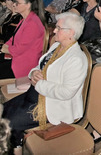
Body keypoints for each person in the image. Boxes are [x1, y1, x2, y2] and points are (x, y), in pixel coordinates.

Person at [2, 12, 87, 155]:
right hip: (36, 94)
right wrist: (33, 73)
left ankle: (14, 147)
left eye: (58, 28)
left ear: (70, 32)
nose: (54, 30)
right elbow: (40, 65)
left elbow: (66, 93)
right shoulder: (57, 46)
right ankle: (16, 145)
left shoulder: (77, 59)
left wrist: (39, 83)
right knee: (3, 110)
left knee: (9, 122)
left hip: (52, 104)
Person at [0, 0, 46, 79]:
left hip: (24, 64)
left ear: (28, 5)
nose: (14, 5)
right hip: (18, 58)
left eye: (17, 3)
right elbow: (13, 38)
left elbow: (19, 49)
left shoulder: (33, 23)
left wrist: (7, 49)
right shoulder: (25, 19)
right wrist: (5, 46)